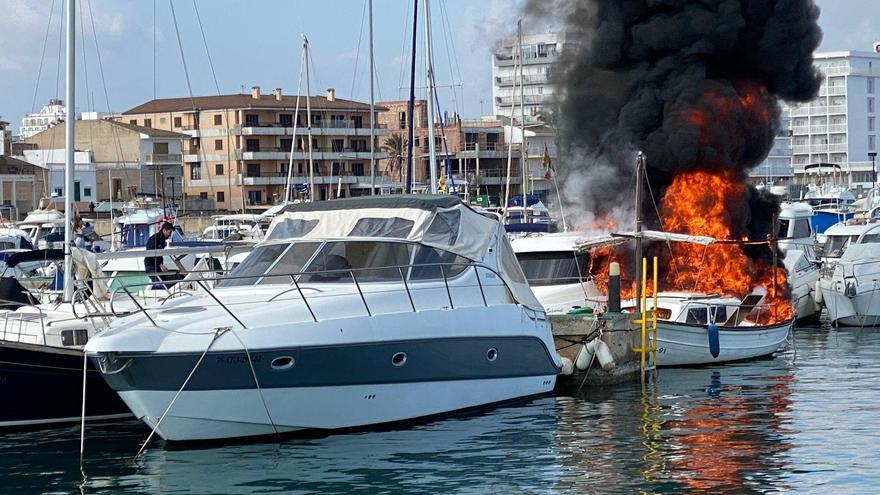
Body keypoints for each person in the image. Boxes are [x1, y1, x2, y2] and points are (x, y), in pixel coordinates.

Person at [144, 221, 177, 288]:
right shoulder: (154, 239)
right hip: (151, 265)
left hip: (158, 266)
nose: (170, 235)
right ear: (164, 230)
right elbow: (151, 254)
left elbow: (159, 254)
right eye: (169, 232)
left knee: (163, 282)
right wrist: (160, 264)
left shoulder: (162, 240)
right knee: (159, 284)